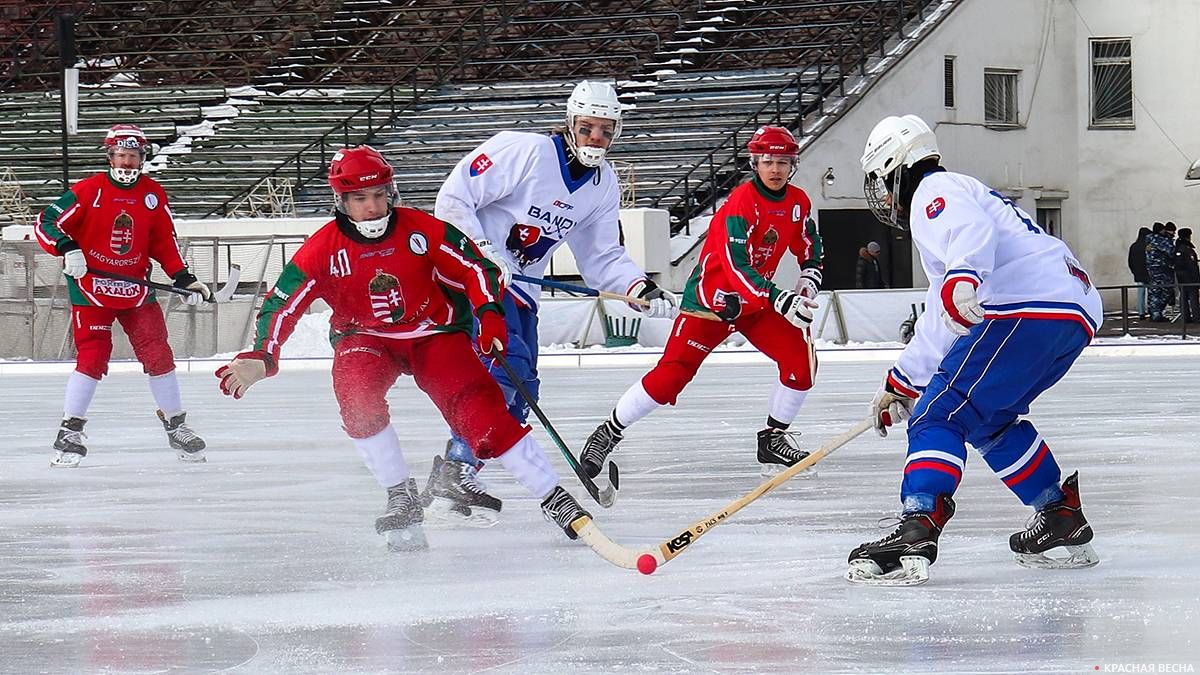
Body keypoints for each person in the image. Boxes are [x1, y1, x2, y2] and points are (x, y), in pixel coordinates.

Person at [214, 146, 592, 551]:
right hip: (365, 338)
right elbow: (281, 303)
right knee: (356, 397)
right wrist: (262, 356)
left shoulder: (421, 229)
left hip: (434, 334)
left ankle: (555, 498)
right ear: (341, 202)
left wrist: (490, 312)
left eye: (379, 195)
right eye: (360, 199)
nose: (373, 207)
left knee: (481, 408)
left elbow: (475, 267)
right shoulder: (322, 249)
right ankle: (400, 493)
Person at [846, 114, 1102, 586]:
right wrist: (901, 382)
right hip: (1073, 311)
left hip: (1028, 306)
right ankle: (1059, 515)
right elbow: (941, 317)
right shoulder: (960, 192)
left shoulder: (932, 193)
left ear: (896, 168)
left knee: (938, 417)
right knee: (986, 418)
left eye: (882, 183)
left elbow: (968, 240)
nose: (883, 197)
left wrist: (964, 275)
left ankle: (918, 524)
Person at [421, 80, 680, 524]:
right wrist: (483, 249)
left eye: (605, 130)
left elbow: (601, 255)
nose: (595, 139)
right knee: (507, 368)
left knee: (521, 392)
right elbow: (454, 198)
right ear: (571, 122)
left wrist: (637, 288)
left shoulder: (602, 185)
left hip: (522, 289)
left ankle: (456, 471)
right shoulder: (523, 151)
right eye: (588, 127)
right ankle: (457, 467)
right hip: (478, 279)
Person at [577, 125, 824, 480]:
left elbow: (810, 245)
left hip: (755, 303)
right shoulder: (740, 202)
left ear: (792, 165)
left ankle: (772, 438)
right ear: (755, 163)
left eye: (782, 161)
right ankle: (608, 432)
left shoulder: (798, 202)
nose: (774, 169)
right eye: (767, 161)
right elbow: (735, 265)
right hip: (712, 302)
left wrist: (808, 278)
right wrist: (778, 297)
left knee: (801, 362)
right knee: (670, 378)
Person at [34, 123, 210, 468]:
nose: (127, 163)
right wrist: (68, 247)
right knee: (93, 357)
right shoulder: (88, 190)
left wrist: (184, 278)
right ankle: (70, 430)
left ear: (142, 158)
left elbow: (164, 241)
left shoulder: (153, 194)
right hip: (92, 290)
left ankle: (176, 424)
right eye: (121, 155)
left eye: (133, 156)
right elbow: (46, 222)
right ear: (110, 156)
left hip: (135, 290)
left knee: (158, 352)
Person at [1145, 222, 1175, 322]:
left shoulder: (1149, 239)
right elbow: (1171, 251)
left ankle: (1154, 313)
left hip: (1152, 269)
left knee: (1154, 291)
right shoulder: (1160, 240)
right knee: (1165, 291)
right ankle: (1156, 314)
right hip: (1161, 269)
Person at [1174, 227, 1199, 322]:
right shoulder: (1187, 249)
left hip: (1180, 275)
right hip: (1189, 276)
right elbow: (1192, 265)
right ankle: (1196, 317)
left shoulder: (1177, 248)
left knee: (1183, 296)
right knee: (1193, 296)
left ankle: (1185, 317)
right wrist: (1197, 279)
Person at [1127, 226, 1151, 318]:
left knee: (1140, 293)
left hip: (1138, 272)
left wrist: (1134, 271)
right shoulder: (1147, 246)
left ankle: (1141, 312)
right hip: (1148, 272)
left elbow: (1130, 261)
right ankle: (1151, 310)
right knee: (1151, 292)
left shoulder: (1134, 246)